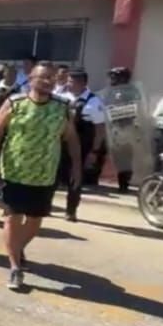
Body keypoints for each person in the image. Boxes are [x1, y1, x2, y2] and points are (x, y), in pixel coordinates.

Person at [0, 63, 81, 291]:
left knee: (35, 220)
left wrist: (77, 167)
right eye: (43, 77)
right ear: (30, 79)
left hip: (45, 174)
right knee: (12, 217)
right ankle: (15, 267)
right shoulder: (15, 103)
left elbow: (71, 139)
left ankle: (16, 248)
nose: (48, 81)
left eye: (52, 78)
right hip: (15, 170)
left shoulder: (62, 107)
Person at [57, 70, 107, 221]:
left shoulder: (94, 102)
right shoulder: (61, 97)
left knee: (76, 178)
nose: (68, 84)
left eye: (71, 81)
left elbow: (100, 130)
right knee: (52, 175)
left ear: (82, 83)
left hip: (81, 146)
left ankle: (71, 210)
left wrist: (94, 151)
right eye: (68, 81)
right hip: (60, 142)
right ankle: (43, 206)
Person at [99, 66, 149, 193]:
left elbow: (137, 110)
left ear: (123, 78)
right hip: (107, 127)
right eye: (111, 77)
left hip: (125, 128)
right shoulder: (108, 92)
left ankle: (123, 185)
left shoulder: (131, 92)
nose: (112, 79)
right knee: (99, 151)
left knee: (124, 157)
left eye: (115, 77)